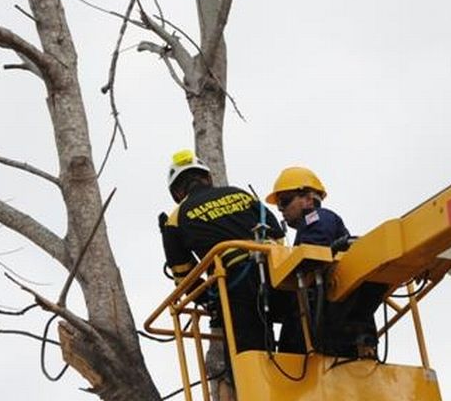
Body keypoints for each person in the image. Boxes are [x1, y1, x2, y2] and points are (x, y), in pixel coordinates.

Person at [159, 149, 286, 353]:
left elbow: (184, 277)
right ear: (208, 178)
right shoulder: (241, 194)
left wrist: (210, 303)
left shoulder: (175, 220)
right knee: (300, 326)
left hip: (235, 289)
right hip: (279, 275)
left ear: (177, 193)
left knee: (248, 358)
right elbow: (279, 237)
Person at [266, 166, 382, 358]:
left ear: (308, 199)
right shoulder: (309, 227)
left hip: (327, 320)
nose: (281, 210)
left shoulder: (318, 217)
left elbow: (315, 250)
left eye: (285, 202)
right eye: (279, 205)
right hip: (333, 323)